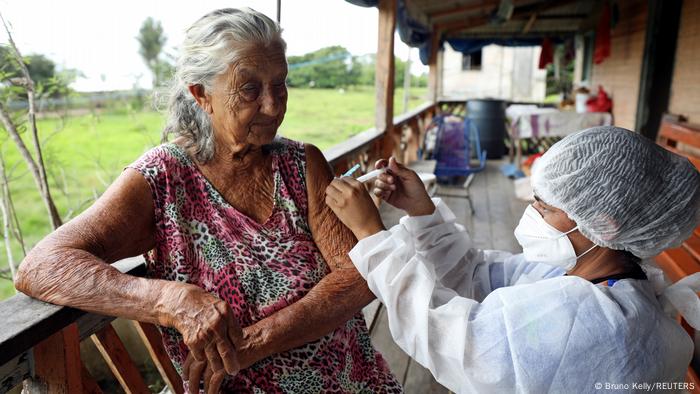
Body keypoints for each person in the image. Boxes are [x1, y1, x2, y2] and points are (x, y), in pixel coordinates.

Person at [14, 8, 401, 393]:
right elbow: (41, 265)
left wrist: (253, 343)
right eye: (250, 89)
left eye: (280, 85)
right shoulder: (163, 177)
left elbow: (360, 275)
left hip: (355, 381)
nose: (273, 105)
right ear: (202, 95)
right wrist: (169, 300)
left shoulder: (302, 164)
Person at [325, 126, 700, 393]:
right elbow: (478, 276)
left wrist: (372, 236)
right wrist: (422, 214)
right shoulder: (597, 278)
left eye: (546, 206)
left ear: (603, 224)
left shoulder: (599, 322)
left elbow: (460, 343)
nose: (532, 210)